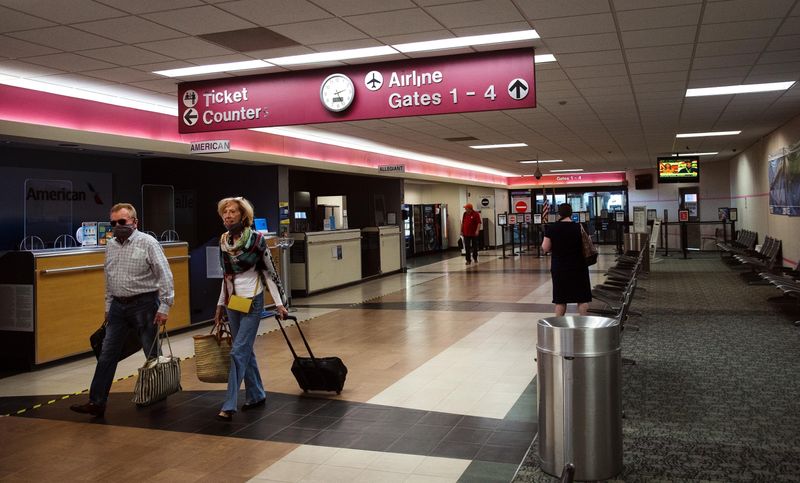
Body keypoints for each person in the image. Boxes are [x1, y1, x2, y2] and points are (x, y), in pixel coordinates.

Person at [70, 203, 174, 417]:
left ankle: (157, 393)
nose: (117, 226)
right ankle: (97, 402)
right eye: (113, 223)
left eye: (122, 222)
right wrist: (108, 306)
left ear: (135, 222)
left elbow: (165, 275)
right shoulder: (111, 245)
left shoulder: (148, 243)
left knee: (151, 352)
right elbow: (109, 278)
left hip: (145, 304)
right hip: (118, 307)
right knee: (107, 354)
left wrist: (164, 306)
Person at [214, 197, 288, 421]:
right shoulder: (224, 241)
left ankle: (229, 404)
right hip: (233, 301)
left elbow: (269, 272)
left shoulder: (256, 240)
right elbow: (226, 276)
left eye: (233, 211)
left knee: (238, 351)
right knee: (244, 349)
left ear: (243, 216)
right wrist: (220, 305)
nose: (228, 215)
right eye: (225, 212)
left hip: (252, 300)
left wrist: (279, 303)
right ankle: (256, 394)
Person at [541, 203, 592, 316]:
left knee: (560, 300)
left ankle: (558, 327)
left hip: (560, 268)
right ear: (571, 213)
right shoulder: (580, 227)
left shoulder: (552, 228)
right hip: (579, 267)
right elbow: (588, 244)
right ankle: (586, 326)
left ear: (559, 214)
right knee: (582, 299)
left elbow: (545, 248)